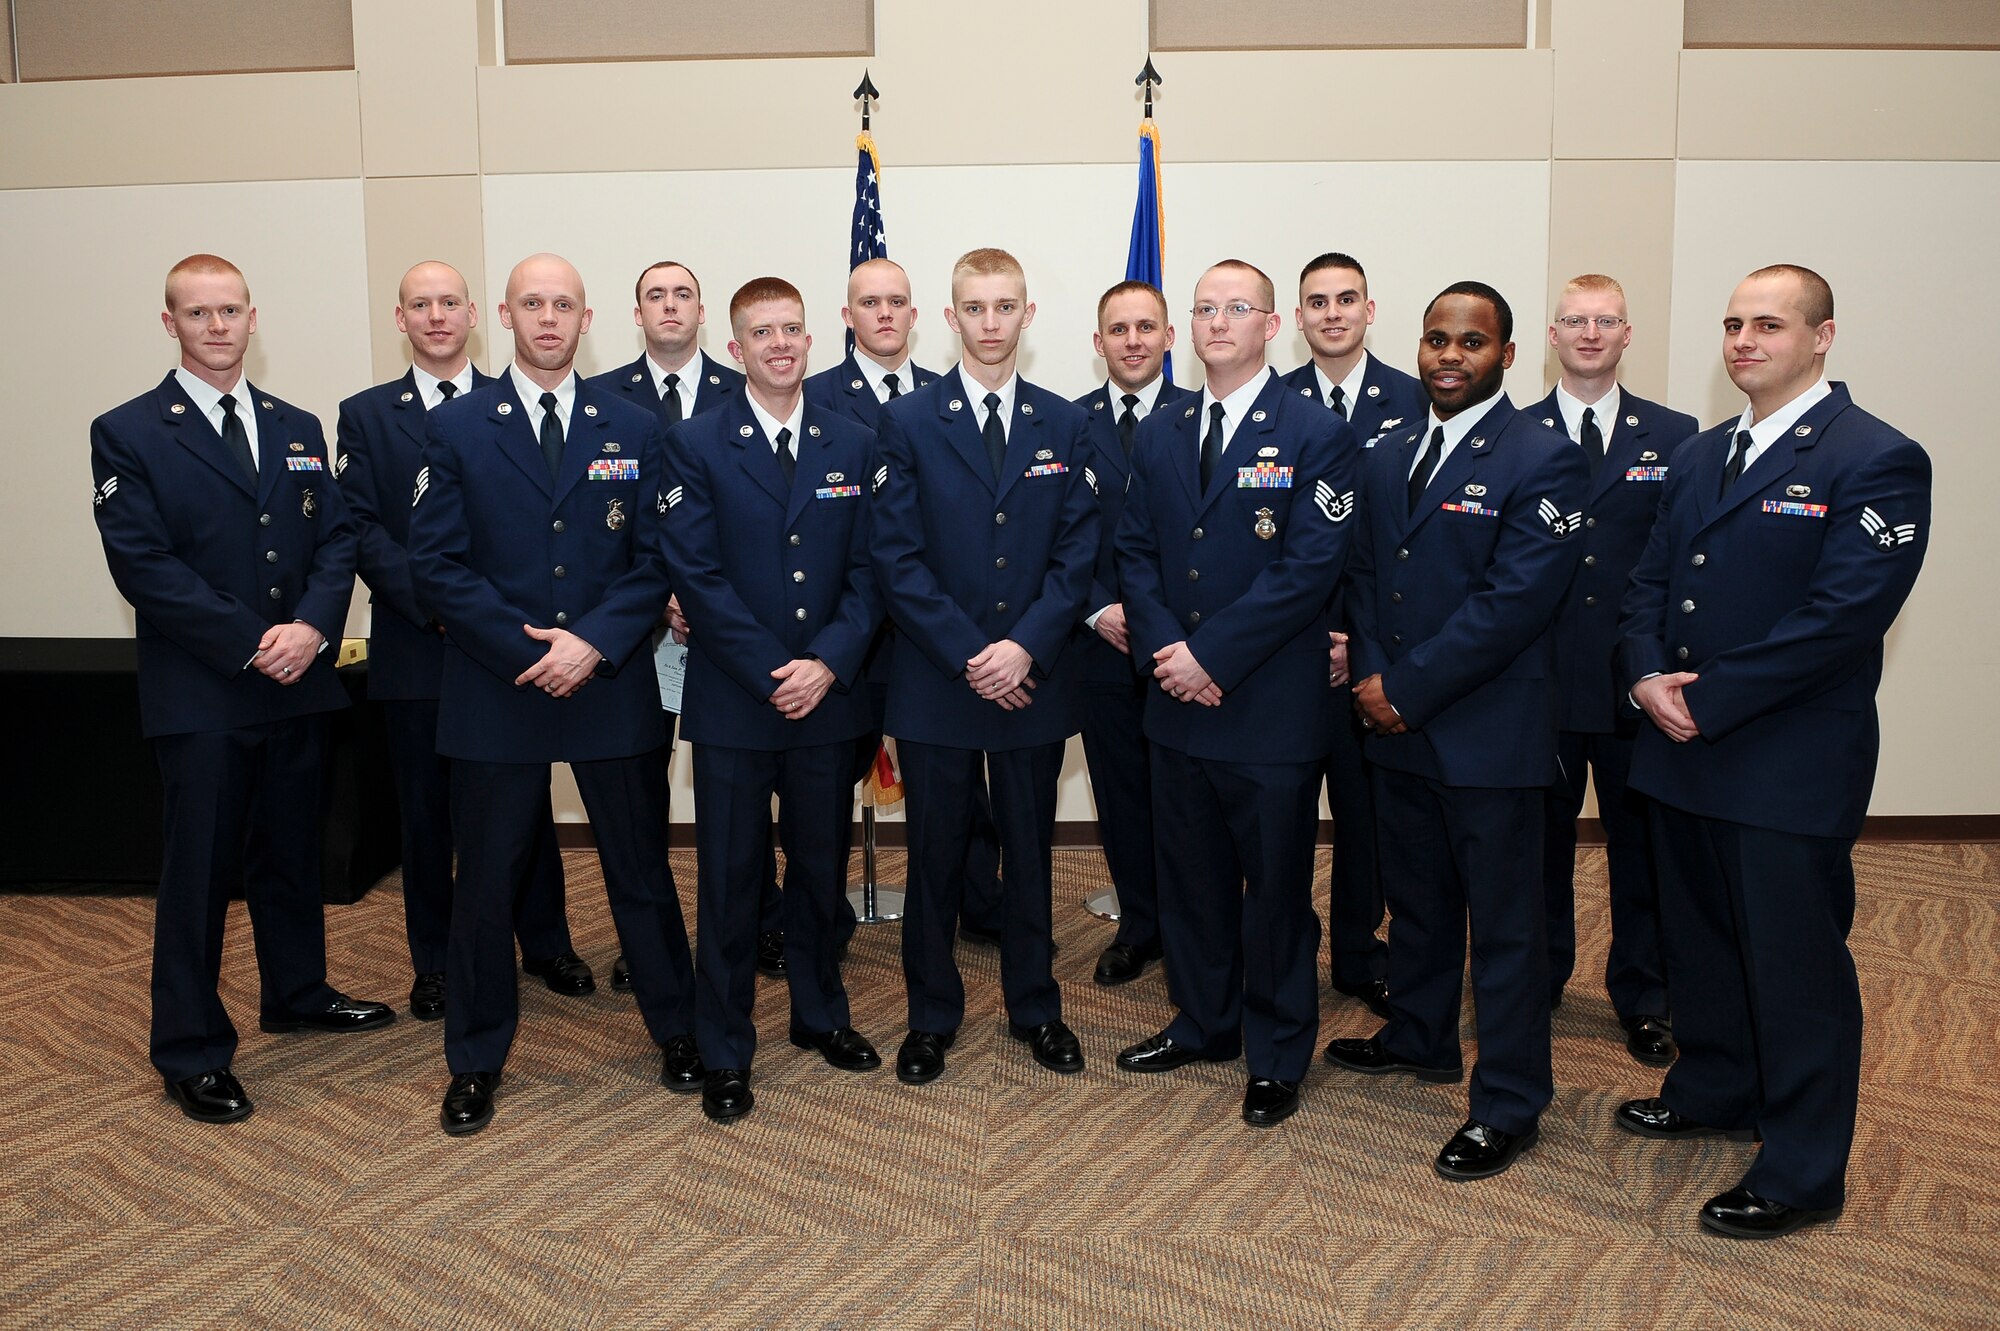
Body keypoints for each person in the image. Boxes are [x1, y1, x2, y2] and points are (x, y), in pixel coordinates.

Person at [1616, 264, 1929, 1239]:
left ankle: (1800, 1167)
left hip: (1783, 755)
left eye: (1767, 323)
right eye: (1731, 324)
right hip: (1680, 745)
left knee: (1793, 964)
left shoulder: (1875, 456)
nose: (1743, 339)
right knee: (1700, 942)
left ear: (1821, 335)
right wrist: (1639, 672)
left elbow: (1841, 617)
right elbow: (1648, 580)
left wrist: (1706, 699)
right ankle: (1714, 1083)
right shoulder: (1702, 452)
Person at [89, 254, 391, 1124]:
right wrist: (251, 640)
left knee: (291, 853)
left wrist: (312, 628)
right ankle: (190, 1047)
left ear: (254, 318)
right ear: (170, 323)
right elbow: (142, 563)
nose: (217, 327)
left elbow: (336, 539)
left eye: (230, 312)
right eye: (198, 313)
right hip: (207, 690)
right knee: (201, 872)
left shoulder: (295, 424)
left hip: (298, 681)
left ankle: (297, 990)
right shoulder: (130, 430)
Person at [408, 252, 699, 1135]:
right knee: (486, 885)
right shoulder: (456, 429)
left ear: (586, 318)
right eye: (531, 303)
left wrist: (593, 643)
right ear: (504, 314)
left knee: (641, 873)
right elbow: (436, 565)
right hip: (499, 686)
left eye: (562, 304)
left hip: (607, 680)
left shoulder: (633, 425)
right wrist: (526, 650)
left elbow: (659, 558)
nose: (547, 318)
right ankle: (476, 1057)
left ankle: (679, 1031)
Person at [1324, 281, 1588, 1180]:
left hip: (1489, 732)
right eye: (1436, 339)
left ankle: (1510, 1100)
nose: (1449, 355)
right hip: (1397, 728)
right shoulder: (1390, 449)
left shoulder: (1542, 458)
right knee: (1421, 901)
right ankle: (1420, 1034)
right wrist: (1370, 676)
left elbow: (1512, 604)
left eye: (1471, 342)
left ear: (1508, 356)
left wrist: (1404, 686)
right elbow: (1363, 573)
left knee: (1507, 929)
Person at [1111, 260, 1355, 1128]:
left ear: (1272, 322)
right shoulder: (1166, 427)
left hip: (1267, 710)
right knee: (1191, 883)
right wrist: (1168, 649)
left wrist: (1210, 654)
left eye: (1236, 308)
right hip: (1175, 701)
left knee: (1276, 892)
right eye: (1205, 309)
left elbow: (1308, 567)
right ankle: (1204, 1020)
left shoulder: (1315, 432)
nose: (1219, 322)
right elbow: (1134, 550)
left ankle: (1277, 1050)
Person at [335, 260, 588, 1021]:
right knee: (425, 813)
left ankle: (545, 941)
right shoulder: (366, 414)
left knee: (526, 805)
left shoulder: (517, 400)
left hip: (512, 645)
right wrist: (435, 604)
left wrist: (495, 621)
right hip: (419, 647)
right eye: (422, 304)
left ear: (477, 314)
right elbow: (360, 526)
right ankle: (438, 960)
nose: (437, 315)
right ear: (400, 318)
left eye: (450, 302)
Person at [661, 277, 886, 1122]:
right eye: (763, 332)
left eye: (792, 328)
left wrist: (825, 663)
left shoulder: (854, 442)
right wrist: (772, 669)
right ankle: (724, 1048)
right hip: (735, 699)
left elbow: (873, 573)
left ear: (811, 338)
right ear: (736, 347)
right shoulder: (695, 443)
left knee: (820, 872)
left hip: (828, 697)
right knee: (729, 878)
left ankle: (819, 1015)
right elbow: (698, 576)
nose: (780, 343)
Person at [872, 247, 1098, 1084]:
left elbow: (1077, 555)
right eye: (976, 308)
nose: (992, 323)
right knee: (932, 856)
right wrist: (973, 652)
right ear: (951, 316)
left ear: (1029, 316)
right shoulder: (908, 422)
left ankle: (1035, 1005)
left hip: (1032, 677)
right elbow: (896, 557)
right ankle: (931, 1014)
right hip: (940, 678)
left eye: (1007, 307)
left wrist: (1022, 647)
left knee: (1032, 856)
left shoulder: (1065, 424)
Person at [804, 257, 1005, 945]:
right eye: (869, 302)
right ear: (847, 316)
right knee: (829, 785)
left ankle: (978, 903)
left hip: (937, 639)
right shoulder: (812, 397)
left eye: (897, 301)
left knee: (961, 788)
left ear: (919, 314)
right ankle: (823, 919)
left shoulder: (950, 396)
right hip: (852, 636)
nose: (884, 313)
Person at [1527, 273, 1696, 1065]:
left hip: (1635, 683)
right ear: (1552, 335)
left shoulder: (1678, 434)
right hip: (1539, 682)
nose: (1590, 333)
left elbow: (1679, 567)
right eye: (1575, 320)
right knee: (1534, 850)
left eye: (1607, 321)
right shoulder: (1514, 433)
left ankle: (1646, 994)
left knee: (1642, 853)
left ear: (1628, 334)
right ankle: (1537, 978)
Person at [586, 260, 759, 990]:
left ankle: (758, 927)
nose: (668, 305)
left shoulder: (745, 389)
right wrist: (662, 597)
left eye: (681, 293)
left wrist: (710, 602)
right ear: (636, 312)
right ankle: (648, 941)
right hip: (640, 632)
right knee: (643, 794)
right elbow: (603, 533)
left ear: (702, 312)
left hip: (734, 631)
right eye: (654, 294)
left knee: (744, 792)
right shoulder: (599, 402)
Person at [1281, 251, 1426, 1019]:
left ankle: (1360, 951)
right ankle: (1287, 947)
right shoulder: (1273, 404)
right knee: (1289, 811)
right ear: (1297, 318)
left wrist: (1358, 641)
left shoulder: (1415, 397)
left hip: (1374, 649)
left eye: (1346, 299)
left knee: (1369, 817)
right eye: (1316, 301)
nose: (1332, 312)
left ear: (1371, 309)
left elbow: (1415, 541)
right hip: (1287, 651)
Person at [1070, 280, 1191, 986]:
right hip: (1102, 646)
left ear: (1170, 337)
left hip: (1182, 650)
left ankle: (1192, 926)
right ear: (1098, 343)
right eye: (1119, 329)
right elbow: (1053, 538)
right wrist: (1094, 607)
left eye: (1147, 327)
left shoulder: (1201, 419)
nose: (1134, 340)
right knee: (1120, 798)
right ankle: (1140, 926)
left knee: (1186, 800)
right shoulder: (1068, 425)